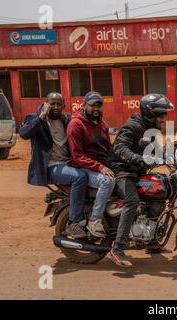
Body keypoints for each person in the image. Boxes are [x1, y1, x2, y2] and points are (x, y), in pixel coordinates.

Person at [106, 94, 174, 267]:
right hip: (122, 171)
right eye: (161, 114)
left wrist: (172, 156)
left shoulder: (151, 128)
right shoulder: (132, 126)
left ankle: (150, 242)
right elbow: (120, 148)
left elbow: (156, 150)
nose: (164, 118)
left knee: (160, 193)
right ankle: (117, 248)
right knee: (132, 201)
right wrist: (139, 158)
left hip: (137, 171)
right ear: (150, 113)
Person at [19, 93, 88, 238]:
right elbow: (24, 134)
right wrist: (40, 118)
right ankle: (74, 222)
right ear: (46, 103)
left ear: (64, 106)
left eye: (59, 104)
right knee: (80, 177)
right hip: (51, 167)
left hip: (68, 164)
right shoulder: (35, 118)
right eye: (53, 103)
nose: (56, 107)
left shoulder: (66, 119)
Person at [67, 91, 116, 238]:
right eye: (92, 105)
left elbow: (108, 147)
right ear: (84, 105)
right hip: (84, 168)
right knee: (107, 181)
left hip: (100, 165)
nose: (96, 108)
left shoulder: (102, 124)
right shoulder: (76, 124)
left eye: (99, 105)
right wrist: (101, 167)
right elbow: (77, 156)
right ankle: (95, 220)